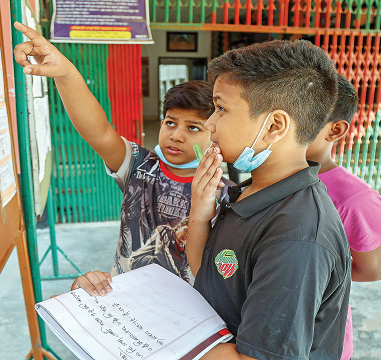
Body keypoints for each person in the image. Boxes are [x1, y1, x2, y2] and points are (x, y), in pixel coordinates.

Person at [12, 22, 229, 295]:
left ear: (214, 131)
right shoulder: (139, 166)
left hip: (189, 311)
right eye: (170, 123)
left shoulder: (227, 195)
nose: (176, 135)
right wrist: (65, 73)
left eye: (193, 128)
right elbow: (99, 132)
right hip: (126, 302)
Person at [187, 40, 352, 359]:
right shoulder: (250, 191)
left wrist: (166, 337)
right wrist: (200, 210)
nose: (209, 124)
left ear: (274, 126)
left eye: (220, 109)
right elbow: (209, 276)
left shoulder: (297, 236)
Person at [306, 73, 381, 360]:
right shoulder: (262, 180)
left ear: (336, 130)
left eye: (303, 117)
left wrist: (307, 276)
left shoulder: (355, 199)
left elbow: (373, 269)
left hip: (319, 337)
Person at [129, 217, 191, 282]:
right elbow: (161, 254)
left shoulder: (185, 251)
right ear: (179, 226)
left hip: (163, 274)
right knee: (158, 263)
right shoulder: (164, 231)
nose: (187, 235)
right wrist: (177, 277)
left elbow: (183, 269)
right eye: (186, 230)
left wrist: (186, 282)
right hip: (141, 261)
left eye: (190, 234)